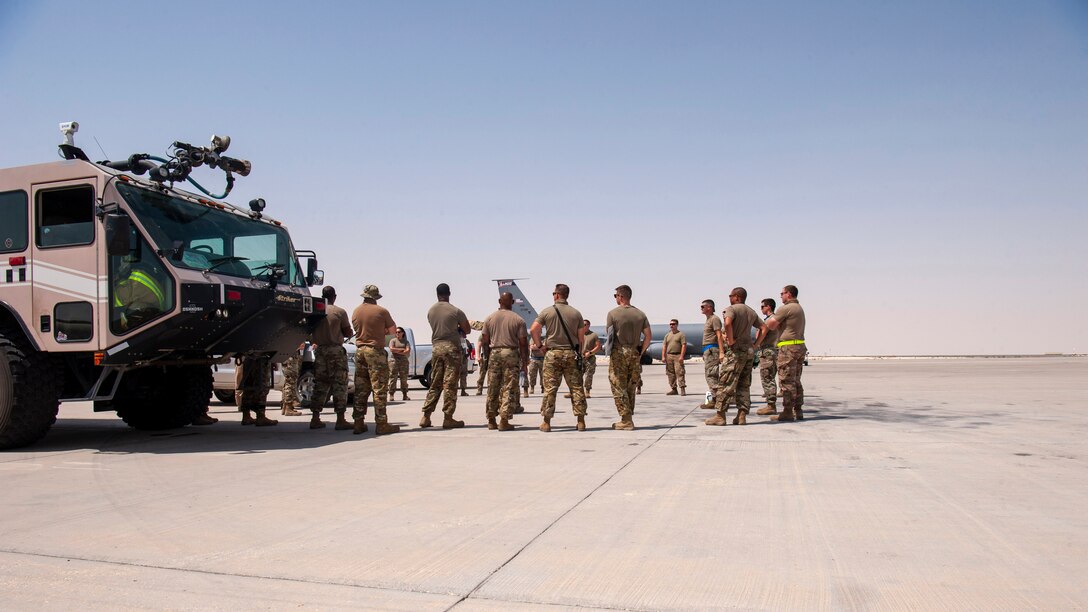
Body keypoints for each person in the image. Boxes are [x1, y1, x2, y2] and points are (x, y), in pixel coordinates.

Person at [530, 283, 587, 432]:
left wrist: (540, 345)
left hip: (552, 354)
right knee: (576, 388)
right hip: (571, 354)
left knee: (550, 389)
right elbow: (581, 338)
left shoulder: (547, 312)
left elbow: (533, 329)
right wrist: (579, 354)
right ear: (567, 295)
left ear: (556, 295)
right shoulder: (576, 313)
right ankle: (581, 421)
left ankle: (547, 423)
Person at [706, 287, 765, 427]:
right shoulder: (751, 312)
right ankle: (742, 415)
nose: (729, 297)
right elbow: (764, 328)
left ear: (737, 297)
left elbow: (727, 323)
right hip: (748, 351)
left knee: (726, 383)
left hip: (736, 351)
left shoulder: (731, 309)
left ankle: (720, 416)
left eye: (731, 295)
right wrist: (756, 345)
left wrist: (731, 340)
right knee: (744, 384)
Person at [350, 284, 401, 435]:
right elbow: (392, 331)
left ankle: (358, 422)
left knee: (361, 388)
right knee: (379, 388)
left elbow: (356, 330)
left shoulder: (356, 311)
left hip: (360, 351)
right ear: (375, 297)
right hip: (375, 352)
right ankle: (381, 423)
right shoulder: (381, 311)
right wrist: (380, 331)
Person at [420, 283, 471, 429]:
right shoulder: (455, 311)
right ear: (449, 293)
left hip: (436, 347)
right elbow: (466, 329)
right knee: (450, 384)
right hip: (451, 348)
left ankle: (426, 416)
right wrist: (458, 328)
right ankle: (448, 418)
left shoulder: (431, 311)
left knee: (435, 382)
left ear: (437, 294)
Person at [481, 292, 529, 431]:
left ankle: (491, 419)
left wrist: (487, 357)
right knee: (509, 387)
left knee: (493, 386)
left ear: (499, 301)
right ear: (512, 302)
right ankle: (504, 419)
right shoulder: (518, 320)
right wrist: (524, 362)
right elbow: (523, 342)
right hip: (510, 353)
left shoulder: (489, 318)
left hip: (494, 353)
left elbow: (485, 340)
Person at [309, 286, 354, 431]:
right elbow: (348, 332)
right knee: (340, 384)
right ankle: (340, 419)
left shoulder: (315, 310)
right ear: (334, 296)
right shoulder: (339, 312)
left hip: (320, 350)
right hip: (335, 350)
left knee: (320, 384)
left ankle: (315, 417)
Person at [606, 285, 651, 430]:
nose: (615, 299)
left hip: (619, 352)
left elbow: (610, 336)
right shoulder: (640, 314)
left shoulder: (613, 314)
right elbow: (648, 336)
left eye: (616, 296)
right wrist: (640, 351)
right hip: (634, 352)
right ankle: (628, 416)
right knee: (631, 385)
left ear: (620, 296)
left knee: (618, 385)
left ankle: (626, 419)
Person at [765, 284, 806, 422]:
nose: (781, 296)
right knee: (796, 380)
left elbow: (770, 325)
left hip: (788, 348)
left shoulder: (786, 308)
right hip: (799, 346)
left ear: (788, 294)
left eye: (782, 293)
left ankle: (788, 411)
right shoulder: (799, 308)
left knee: (786, 381)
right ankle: (798, 410)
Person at [755, 298, 780, 416]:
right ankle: (771, 403)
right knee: (770, 377)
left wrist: (756, 344)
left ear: (768, 307)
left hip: (767, 351)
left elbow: (760, 335)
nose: (761, 309)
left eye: (762, 307)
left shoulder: (770, 320)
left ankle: (771, 405)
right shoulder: (775, 319)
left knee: (767, 378)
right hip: (772, 351)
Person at [239, 355, 277, 426]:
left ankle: (246, 416)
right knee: (262, 386)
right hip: (261, 357)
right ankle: (260, 416)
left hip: (248, 356)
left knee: (248, 386)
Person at [699, 299, 723, 409]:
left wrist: (721, 352)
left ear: (710, 307)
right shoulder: (708, 319)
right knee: (709, 376)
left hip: (712, 350)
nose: (701, 308)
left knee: (712, 375)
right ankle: (711, 399)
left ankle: (717, 400)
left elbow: (719, 336)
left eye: (703, 306)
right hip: (708, 350)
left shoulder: (714, 319)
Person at [662, 319, 687, 396]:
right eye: (670, 324)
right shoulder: (667, 335)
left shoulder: (681, 334)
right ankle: (674, 389)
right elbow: (664, 346)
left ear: (677, 325)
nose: (671, 326)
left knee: (679, 372)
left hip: (678, 355)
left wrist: (682, 356)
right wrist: (663, 356)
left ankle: (682, 389)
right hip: (669, 356)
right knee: (670, 373)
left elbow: (684, 345)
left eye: (673, 324)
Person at [280, 343, 304, 416]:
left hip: (287, 355)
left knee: (288, 381)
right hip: (290, 356)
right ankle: (288, 408)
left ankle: (285, 406)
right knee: (290, 381)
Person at [388, 327, 411, 401]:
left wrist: (397, 350)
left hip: (403, 361)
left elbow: (407, 351)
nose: (397, 333)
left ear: (402, 333)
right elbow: (391, 349)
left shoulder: (406, 341)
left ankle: (405, 394)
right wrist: (401, 350)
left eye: (399, 332)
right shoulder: (393, 340)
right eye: (396, 332)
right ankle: (391, 394)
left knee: (404, 378)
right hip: (394, 361)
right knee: (393, 378)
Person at [581, 319, 601, 398]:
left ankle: (587, 391)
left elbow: (598, 346)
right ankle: (575, 392)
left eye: (585, 324)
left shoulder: (593, 335)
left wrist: (590, 353)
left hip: (590, 358)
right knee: (577, 376)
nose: (583, 326)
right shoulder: (578, 334)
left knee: (589, 375)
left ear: (589, 325)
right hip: (580, 357)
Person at [458, 330, 471, 397]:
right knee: (461, 376)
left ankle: (462, 391)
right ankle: (462, 391)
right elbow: (470, 348)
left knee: (462, 376)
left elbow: (470, 348)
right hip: (461, 362)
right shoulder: (464, 341)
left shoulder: (464, 341)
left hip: (460, 362)